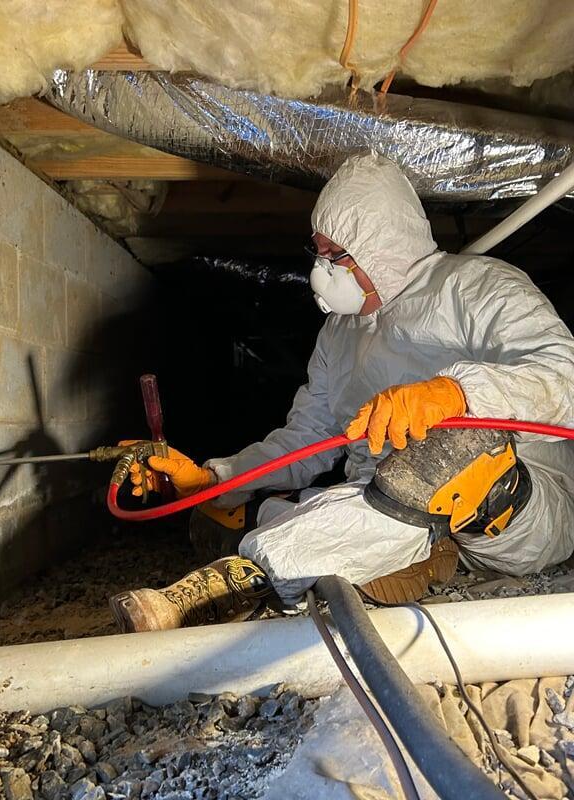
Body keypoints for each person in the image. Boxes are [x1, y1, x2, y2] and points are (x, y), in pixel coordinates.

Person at [110, 152, 574, 633]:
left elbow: (566, 377)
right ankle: (406, 553)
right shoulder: (338, 334)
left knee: (450, 442)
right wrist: (216, 478)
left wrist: (454, 393)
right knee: (220, 515)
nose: (324, 272)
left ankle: (228, 586)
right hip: (382, 503)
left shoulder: (479, 288)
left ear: (382, 246)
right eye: (319, 255)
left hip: (519, 508)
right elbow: (306, 437)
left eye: (339, 257)